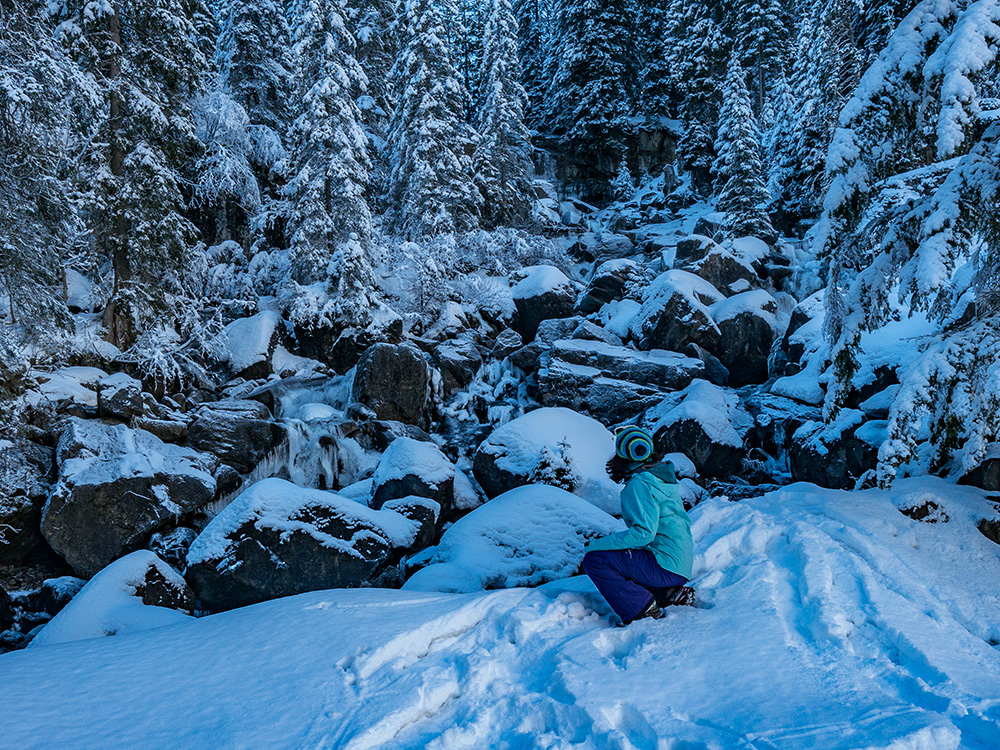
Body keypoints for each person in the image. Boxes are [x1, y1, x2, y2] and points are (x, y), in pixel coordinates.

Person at [583, 425, 694, 625]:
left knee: (596, 560)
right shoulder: (659, 479)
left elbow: (644, 534)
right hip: (679, 565)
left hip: (666, 567)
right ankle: (667, 594)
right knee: (627, 556)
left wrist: (596, 544)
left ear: (622, 457)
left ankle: (642, 609)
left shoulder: (640, 485)